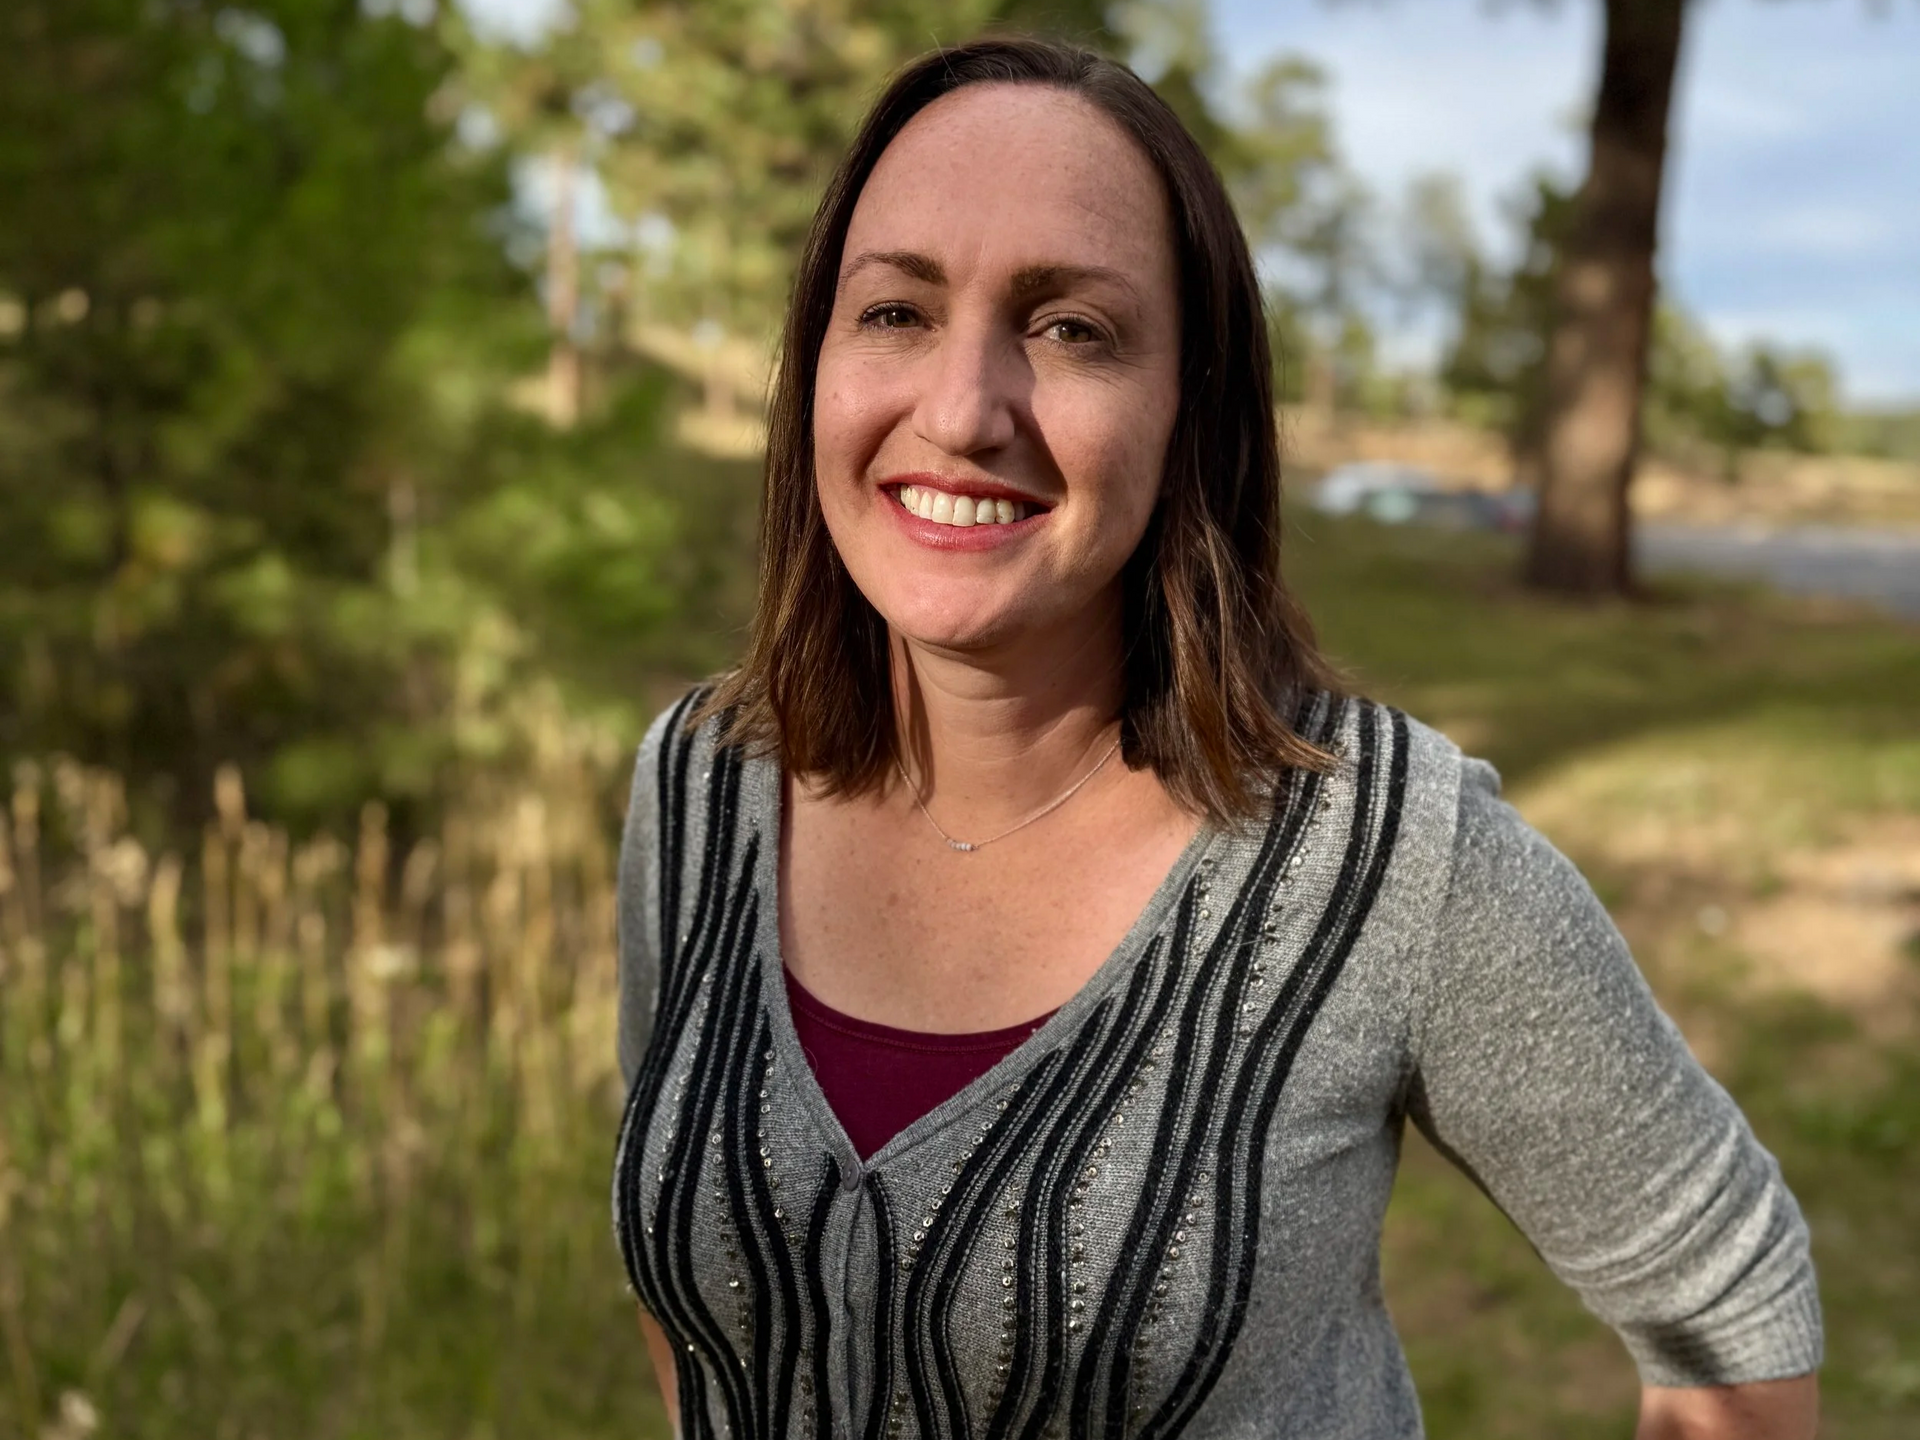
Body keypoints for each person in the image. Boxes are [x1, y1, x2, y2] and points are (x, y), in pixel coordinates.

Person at [610, 36, 1821, 1440]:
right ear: (816, 360)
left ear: (1193, 412)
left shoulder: (1385, 860)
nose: (960, 410)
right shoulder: (700, 789)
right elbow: (699, 1299)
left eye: (1072, 329)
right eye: (896, 312)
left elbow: (1722, 1297)